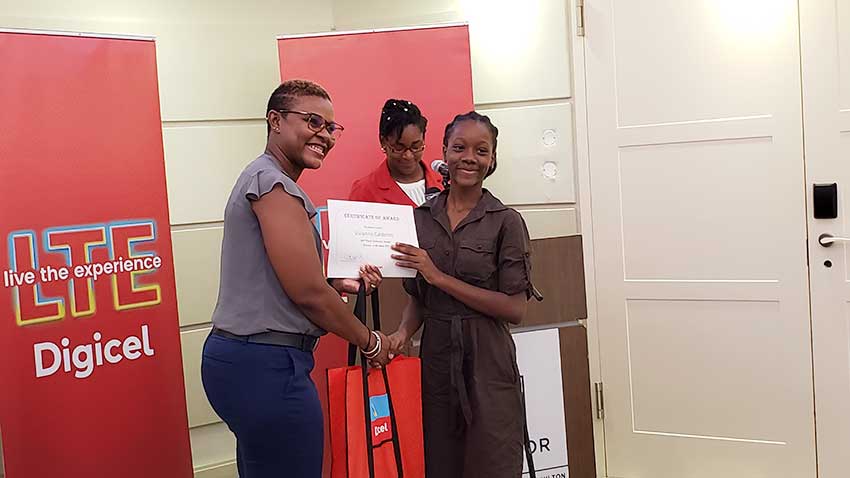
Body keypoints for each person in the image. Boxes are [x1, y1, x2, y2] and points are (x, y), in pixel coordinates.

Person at [201, 79, 392, 478]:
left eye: (330, 127)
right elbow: (307, 294)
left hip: (249, 362)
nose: (324, 135)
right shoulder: (273, 184)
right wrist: (370, 341)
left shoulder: (266, 180)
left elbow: (286, 279)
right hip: (265, 367)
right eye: (312, 121)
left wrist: (332, 285)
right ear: (275, 121)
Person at [387, 112, 542, 477]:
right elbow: (418, 298)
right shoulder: (421, 218)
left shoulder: (506, 221)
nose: (469, 157)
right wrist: (401, 334)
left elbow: (514, 309)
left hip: (488, 362)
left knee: (492, 462)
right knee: (440, 462)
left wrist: (439, 277)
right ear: (444, 151)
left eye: (481, 150)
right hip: (437, 361)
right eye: (459, 148)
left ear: (492, 159)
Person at [349, 99, 444, 206]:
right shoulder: (364, 191)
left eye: (415, 147)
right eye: (399, 148)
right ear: (383, 142)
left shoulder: (445, 183)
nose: (408, 156)